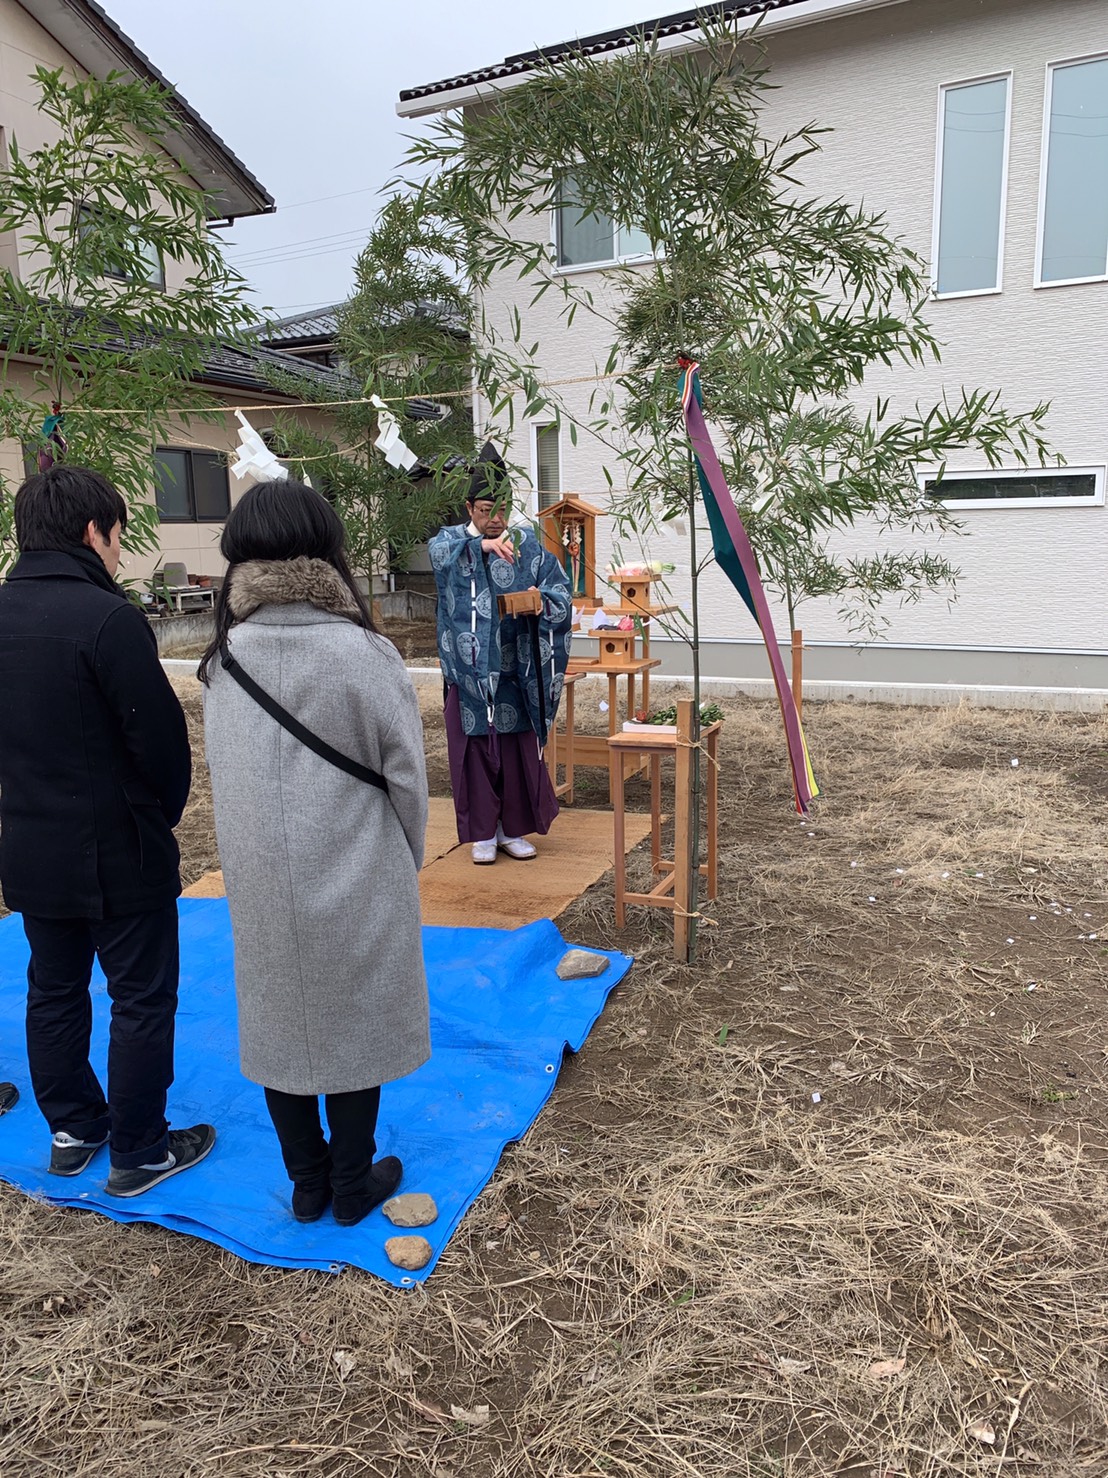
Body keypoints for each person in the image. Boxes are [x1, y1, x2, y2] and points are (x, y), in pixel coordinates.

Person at [199, 480, 430, 1227]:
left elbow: (225, 779)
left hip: (260, 876)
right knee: (354, 1018)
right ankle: (353, 1181)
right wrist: (406, 857)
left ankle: (307, 1184)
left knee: (279, 1019)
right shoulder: (365, 653)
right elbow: (407, 781)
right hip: (356, 863)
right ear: (327, 551)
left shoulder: (222, 659)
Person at [0, 465, 213, 1196]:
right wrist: (160, 814)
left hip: (29, 839)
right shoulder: (107, 618)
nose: (120, 553)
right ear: (93, 533)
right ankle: (141, 1149)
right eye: (119, 537)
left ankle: (72, 1128)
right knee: (140, 996)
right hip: (118, 844)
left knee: (52, 990)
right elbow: (158, 743)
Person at [429, 444, 572, 865]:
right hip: (469, 671)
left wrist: (540, 600)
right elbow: (437, 559)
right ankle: (482, 834)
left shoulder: (528, 544)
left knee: (514, 752)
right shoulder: (452, 542)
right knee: (474, 752)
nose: (495, 519)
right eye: (486, 510)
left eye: (502, 509)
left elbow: (560, 590)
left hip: (516, 666)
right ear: (469, 506)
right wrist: (480, 549)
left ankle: (512, 830)